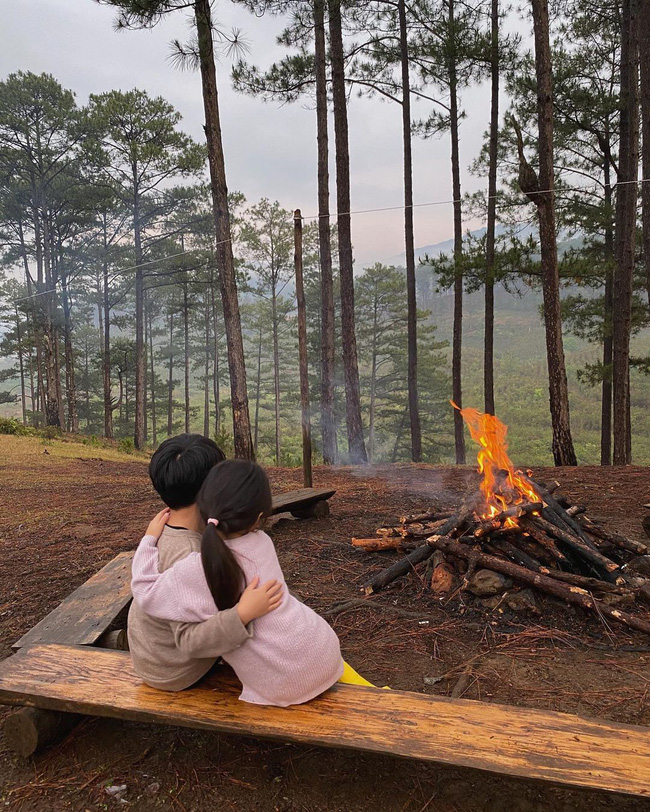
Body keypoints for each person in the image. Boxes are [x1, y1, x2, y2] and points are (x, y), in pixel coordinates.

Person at [131, 459, 377, 707]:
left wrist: (149, 540)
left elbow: (144, 590)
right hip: (325, 650)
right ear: (259, 517)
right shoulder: (262, 542)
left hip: (285, 683)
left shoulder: (196, 568)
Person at [127, 434, 282, 692]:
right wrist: (242, 615)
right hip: (174, 670)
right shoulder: (190, 555)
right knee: (258, 612)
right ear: (211, 489)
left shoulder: (160, 530)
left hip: (151, 657)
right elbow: (190, 640)